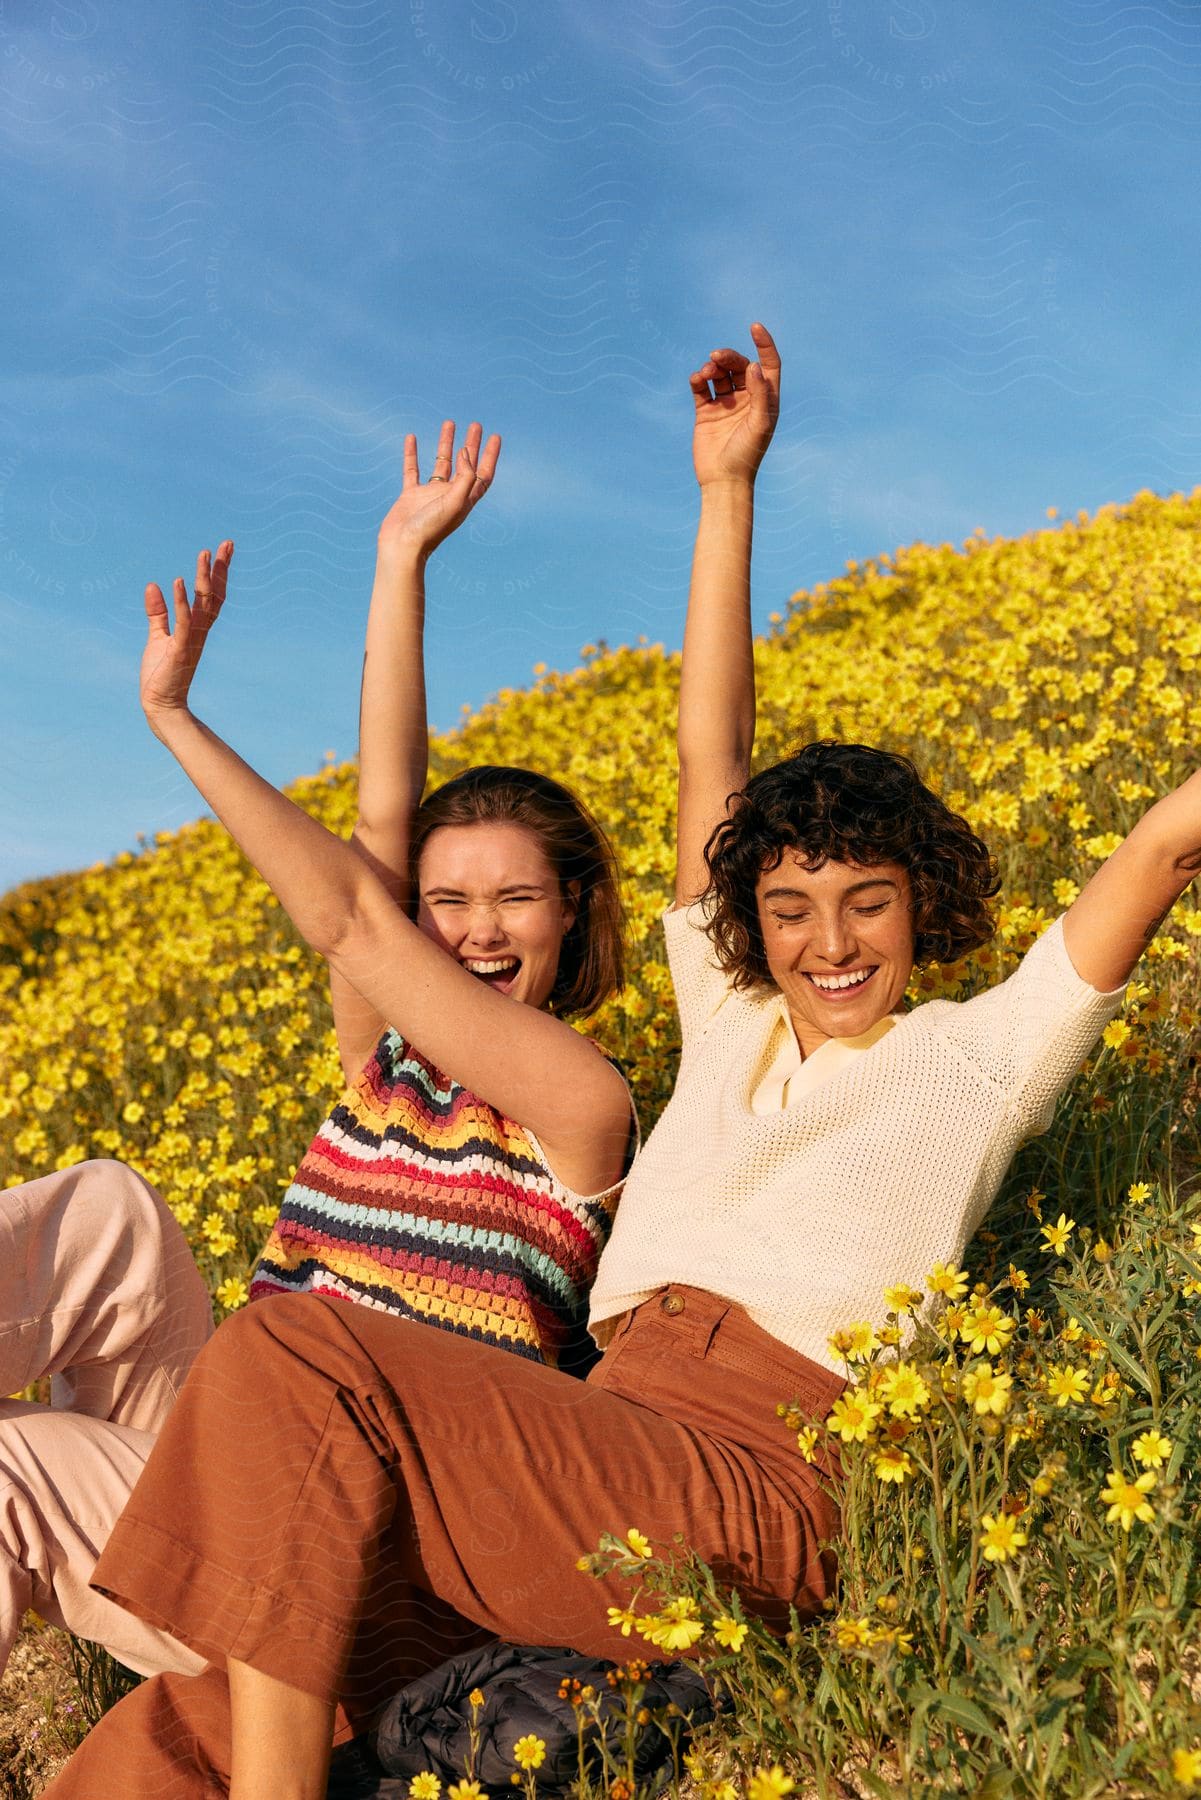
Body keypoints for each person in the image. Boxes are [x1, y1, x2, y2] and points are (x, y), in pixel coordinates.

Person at [45, 324, 1198, 1800]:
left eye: (866, 906)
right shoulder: (724, 1020)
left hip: (749, 1486)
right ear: (750, 926)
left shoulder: (984, 1056)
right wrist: (727, 485)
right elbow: (710, 748)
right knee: (175, 1728)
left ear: (924, 909)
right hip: (594, 1444)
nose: (828, 944)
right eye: (788, 911)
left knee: (293, 1350)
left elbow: (1163, 845)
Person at [0, 421, 632, 1689]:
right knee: (111, 1211)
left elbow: (351, 899)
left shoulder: (582, 1108)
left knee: (7, 1467)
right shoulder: (384, 1064)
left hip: (339, 1530)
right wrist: (400, 559)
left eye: (516, 901)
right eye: (445, 905)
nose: (475, 931)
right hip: (236, 1439)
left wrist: (172, 722)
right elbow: (376, 829)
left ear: (572, 915)